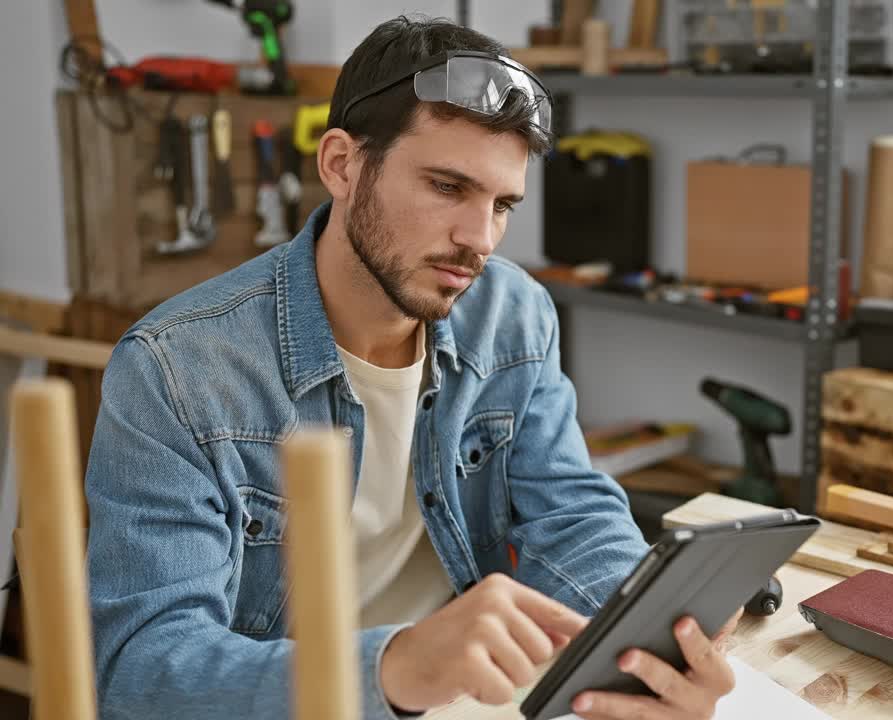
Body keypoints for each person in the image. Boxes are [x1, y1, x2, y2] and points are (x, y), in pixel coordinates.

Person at [84, 15, 738, 720]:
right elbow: (142, 669)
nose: (478, 239)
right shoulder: (177, 370)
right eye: (447, 187)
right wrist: (393, 665)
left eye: (501, 204)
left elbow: (573, 514)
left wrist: (648, 641)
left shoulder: (513, 314)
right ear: (340, 164)